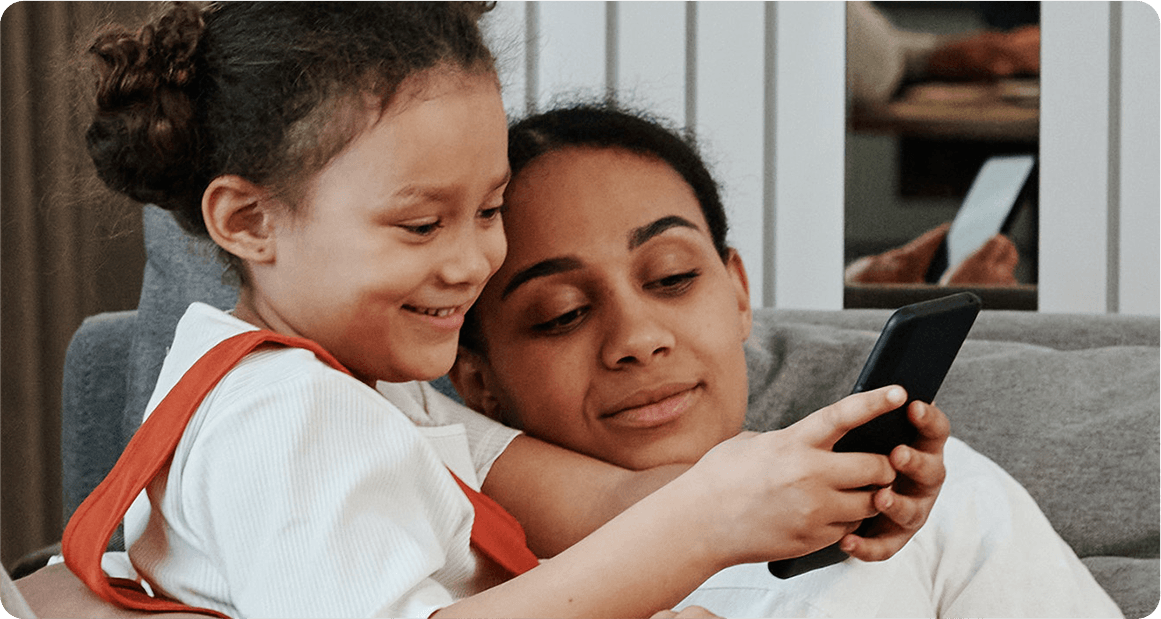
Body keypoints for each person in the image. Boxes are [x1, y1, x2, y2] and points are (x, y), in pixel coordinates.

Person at [22, 3, 951, 618]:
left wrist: (801, 489)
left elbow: (606, 507)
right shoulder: (283, 418)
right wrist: (704, 524)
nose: (472, 262)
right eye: (421, 223)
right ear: (249, 220)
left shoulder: (356, 386)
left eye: (489, 209)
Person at [447, 103, 1123, 618]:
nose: (639, 338)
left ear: (738, 293)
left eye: (673, 276)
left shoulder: (933, 504)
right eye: (561, 313)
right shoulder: (440, 565)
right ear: (477, 380)